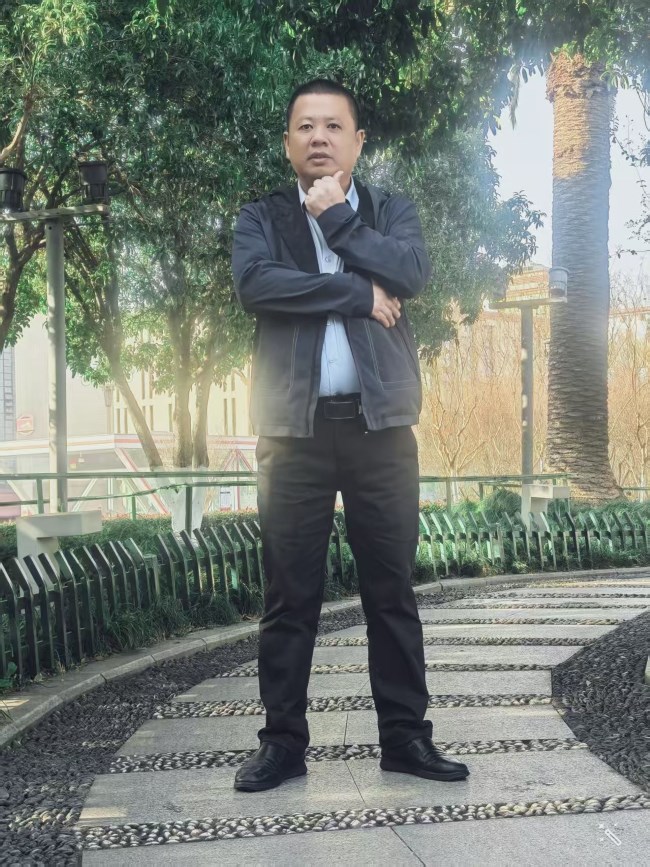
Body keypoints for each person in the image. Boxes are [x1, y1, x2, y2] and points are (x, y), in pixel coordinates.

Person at [231, 79, 469, 792]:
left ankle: (405, 738)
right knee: (289, 594)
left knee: (391, 590)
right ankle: (282, 743)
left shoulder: (390, 212)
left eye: (333, 126)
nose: (319, 137)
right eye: (305, 126)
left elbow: (411, 272)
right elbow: (257, 285)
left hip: (381, 431)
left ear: (358, 141)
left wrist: (338, 219)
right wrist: (358, 294)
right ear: (287, 142)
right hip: (293, 433)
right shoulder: (262, 217)